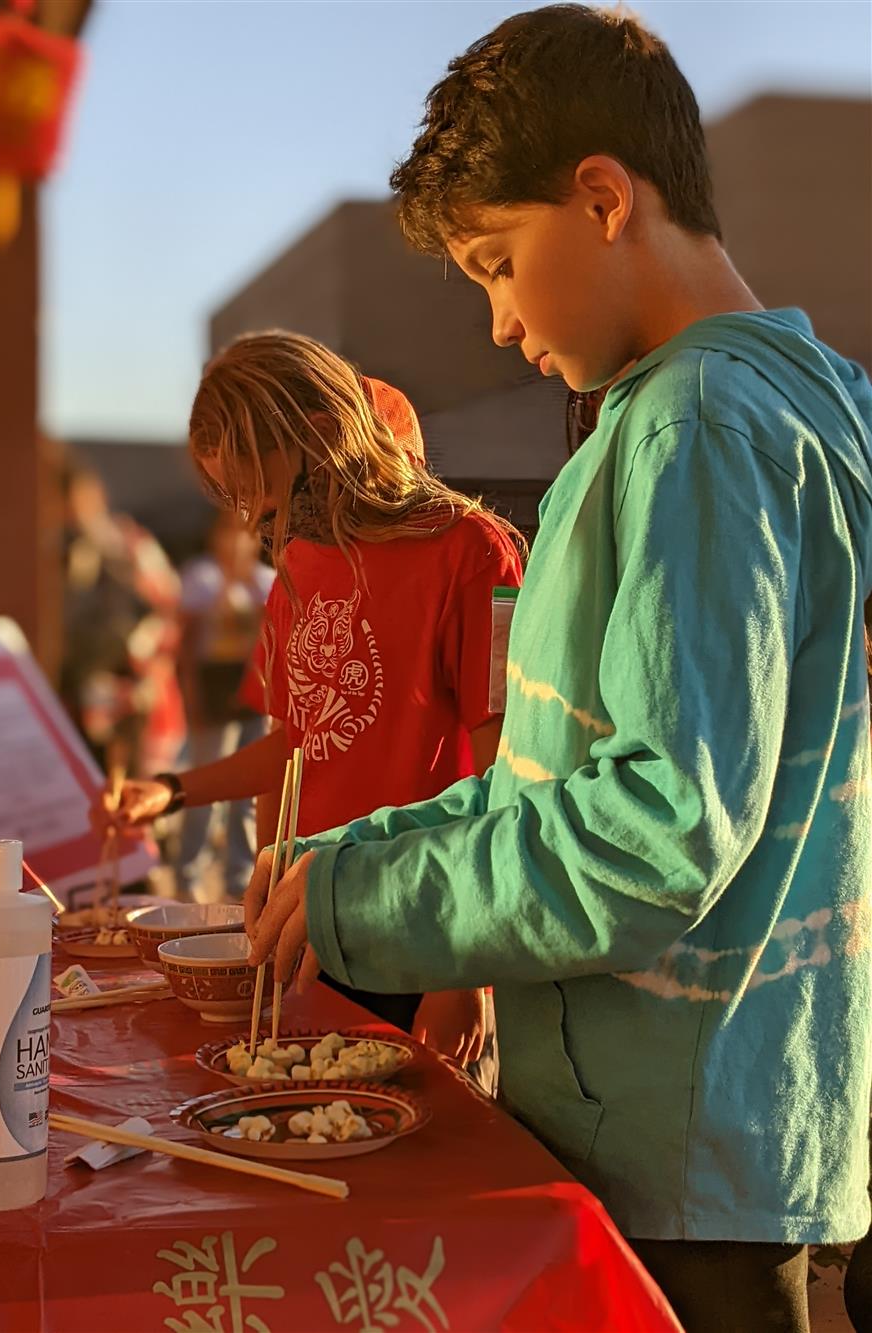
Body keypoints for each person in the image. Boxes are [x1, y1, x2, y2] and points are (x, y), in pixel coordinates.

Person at [245, 8, 872, 1332]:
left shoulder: (696, 427)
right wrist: (354, 853)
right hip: (759, 1109)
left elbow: (659, 827)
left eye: (494, 262)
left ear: (601, 199)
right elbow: (560, 772)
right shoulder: (822, 403)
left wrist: (373, 889)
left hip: (676, 1149)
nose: (495, 321)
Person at [94, 331, 523, 1066]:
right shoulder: (299, 560)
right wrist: (173, 792)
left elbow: (507, 781)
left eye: (265, 493)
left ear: (323, 439)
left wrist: (469, 970)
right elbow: (294, 749)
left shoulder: (473, 552)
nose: (257, 523)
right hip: (307, 933)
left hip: (425, 930)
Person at [60, 465, 185, 777]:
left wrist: (152, 661)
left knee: (134, 774)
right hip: (84, 676)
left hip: (132, 672)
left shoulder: (129, 542)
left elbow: (166, 601)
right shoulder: (64, 548)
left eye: (83, 500)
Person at [176, 513, 274, 899]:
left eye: (242, 535)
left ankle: (239, 876)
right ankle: (188, 874)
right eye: (228, 534)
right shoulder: (201, 577)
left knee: (248, 795)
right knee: (205, 786)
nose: (235, 543)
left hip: (252, 692)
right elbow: (188, 643)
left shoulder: (264, 582)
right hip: (214, 691)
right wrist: (190, 699)